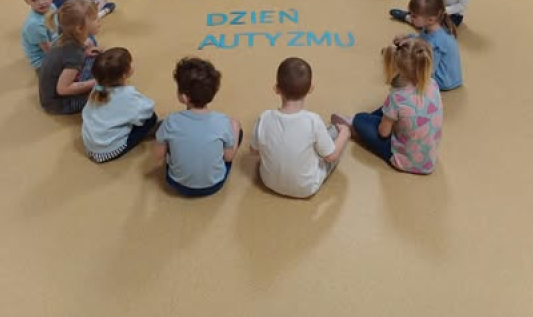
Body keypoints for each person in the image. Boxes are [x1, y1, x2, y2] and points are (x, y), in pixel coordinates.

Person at [332, 38, 442, 174]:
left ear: (397, 67)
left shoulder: (397, 97)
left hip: (404, 161)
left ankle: (352, 126)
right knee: (387, 110)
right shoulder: (433, 84)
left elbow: (383, 133)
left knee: (360, 119)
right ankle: (371, 120)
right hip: (429, 159)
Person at [249, 57, 350, 198]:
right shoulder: (313, 120)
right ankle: (342, 131)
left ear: (277, 89)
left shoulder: (264, 117)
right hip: (306, 188)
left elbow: (253, 151)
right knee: (333, 135)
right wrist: (345, 134)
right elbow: (330, 156)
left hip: (268, 181)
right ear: (311, 88)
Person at [154, 58, 242, 197]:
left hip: (177, 184)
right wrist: (235, 127)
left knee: (169, 137)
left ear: (184, 97)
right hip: (214, 184)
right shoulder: (223, 121)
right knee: (235, 127)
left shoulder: (171, 121)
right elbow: (228, 158)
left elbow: (158, 156)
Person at [82, 47, 157, 163]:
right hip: (108, 151)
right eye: (130, 64)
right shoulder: (127, 95)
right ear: (124, 75)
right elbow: (147, 110)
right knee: (152, 118)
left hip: (90, 145)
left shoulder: (97, 89)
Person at [38, 0, 100, 114]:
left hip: (54, 91)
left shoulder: (63, 37)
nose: (99, 20)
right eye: (95, 19)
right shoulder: (74, 54)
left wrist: (85, 52)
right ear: (79, 29)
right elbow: (63, 89)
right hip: (59, 104)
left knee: (94, 54)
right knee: (102, 95)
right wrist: (95, 82)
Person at [394, 0, 462, 91]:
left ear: (430, 19)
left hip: (443, 80)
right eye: (410, 13)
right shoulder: (430, 27)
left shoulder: (436, 43)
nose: (410, 17)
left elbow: (428, 70)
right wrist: (407, 38)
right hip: (439, 70)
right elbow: (422, 38)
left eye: (414, 16)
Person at [20, 0, 58, 70]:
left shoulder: (52, 6)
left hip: (55, 43)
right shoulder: (35, 25)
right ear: (26, 0)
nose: (41, 2)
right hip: (43, 61)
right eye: (34, 0)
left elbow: (59, 25)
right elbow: (49, 52)